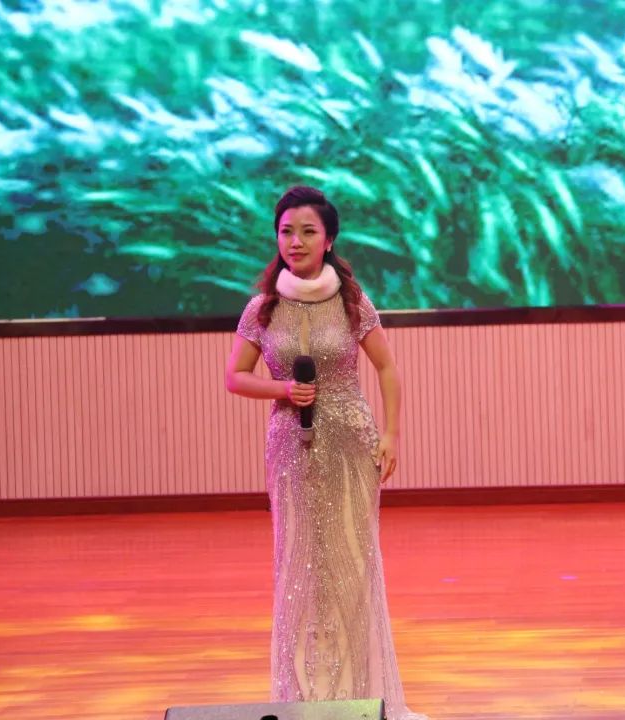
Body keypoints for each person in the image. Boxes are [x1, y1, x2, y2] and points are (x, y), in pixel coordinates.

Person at [225, 185, 426, 719]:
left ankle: (359, 694)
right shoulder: (262, 308)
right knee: (297, 568)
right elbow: (235, 376)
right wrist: (283, 390)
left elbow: (387, 368)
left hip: (350, 444)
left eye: (308, 231)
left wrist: (391, 435)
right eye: (286, 231)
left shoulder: (352, 302)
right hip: (290, 444)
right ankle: (301, 699)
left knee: (352, 565)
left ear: (329, 239)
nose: (295, 241)